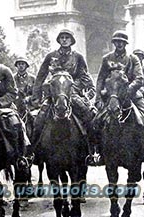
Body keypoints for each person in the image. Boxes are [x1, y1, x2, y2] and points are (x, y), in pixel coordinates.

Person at [30, 29, 98, 166]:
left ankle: (92, 152)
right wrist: (36, 97)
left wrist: (71, 85)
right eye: (62, 37)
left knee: (89, 115)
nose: (64, 39)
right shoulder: (50, 56)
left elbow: (85, 78)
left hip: (71, 93)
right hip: (53, 93)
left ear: (71, 40)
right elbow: (40, 77)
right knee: (39, 119)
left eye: (67, 37)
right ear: (59, 40)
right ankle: (33, 153)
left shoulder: (78, 57)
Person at [96, 30, 144, 161]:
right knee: (96, 120)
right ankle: (98, 152)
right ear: (114, 43)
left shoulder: (133, 59)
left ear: (125, 43)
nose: (119, 44)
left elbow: (139, 78)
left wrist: (128, 90)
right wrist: (98, 98)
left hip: (131, 95)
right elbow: (100, 79)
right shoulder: (106, 58)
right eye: (117, 41)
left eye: (122, 42)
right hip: (112, 95)